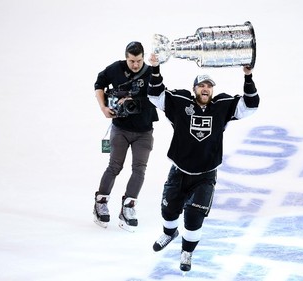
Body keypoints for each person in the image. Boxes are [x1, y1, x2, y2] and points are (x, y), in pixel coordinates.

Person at [147, 53, 259, 271]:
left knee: (194, 216)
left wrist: (248, 76)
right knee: (169, 210)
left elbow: (251, 106)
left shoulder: (223, 105)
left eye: (209, 86)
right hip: (179, 169)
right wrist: (155, 68)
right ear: (195, 88)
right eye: (201, 86)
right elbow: (155, 95)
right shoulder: (180, 102)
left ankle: (187, 252)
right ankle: (169, 234)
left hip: (206, 173)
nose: (205, 89)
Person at [93, 42, 158, 231]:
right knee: (114, 166)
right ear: (126, 57)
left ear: (143, 57)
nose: (135, 65)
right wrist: (104, 107)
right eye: (131, 61)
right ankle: (101, 202)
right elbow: (99, 83)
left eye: (138, 61)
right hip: (120, 127)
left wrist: (136, 99)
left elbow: (159, 93)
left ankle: (128, 207)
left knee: (139, 169)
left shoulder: (150, 72)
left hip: (144, 130)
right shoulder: (116, 68)